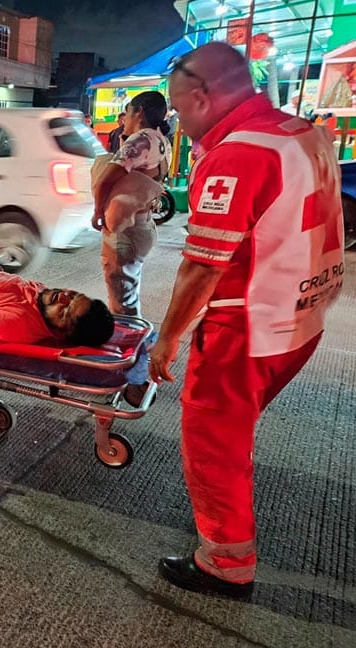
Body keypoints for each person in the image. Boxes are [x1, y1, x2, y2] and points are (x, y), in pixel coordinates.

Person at [151, 42, 344, 598]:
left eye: (179, 108)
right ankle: (226, 501)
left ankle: (225, 563)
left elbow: (200, 270)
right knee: (234, 434)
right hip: (303, 320)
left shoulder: (238, 154)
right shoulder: (303, 133)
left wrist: (167, 341)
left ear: (202, 96)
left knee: (211, 438)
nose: (179, 123)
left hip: (249, 327)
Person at [92, 91, 172, 318]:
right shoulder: (160, 139)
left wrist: (98, 211)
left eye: (127, 112)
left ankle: (128, 347)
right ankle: (133, 343)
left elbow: (106, 179)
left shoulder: (142, 140)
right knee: (128, 293)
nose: (124, 118)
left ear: (139, 112)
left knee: (121, 302)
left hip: (126, 227)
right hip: (143, 223)